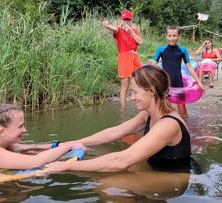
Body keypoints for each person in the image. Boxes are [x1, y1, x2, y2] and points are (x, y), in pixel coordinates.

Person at [45, 65, 192, 173]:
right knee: (98, 155)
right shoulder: (147, 115)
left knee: (108, 188)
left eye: (135, 92)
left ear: (151, 91)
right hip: (155, 169)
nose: (132, 98)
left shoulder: (168, 125)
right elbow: (113, 133)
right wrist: (71, 144)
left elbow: (121, 161)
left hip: (174, 179)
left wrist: (67, 166)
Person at [0, 104, 85, 174]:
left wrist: (58, 145)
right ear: (2, 131)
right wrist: (68, 147)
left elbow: (23, 148)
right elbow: (34, 162)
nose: (25, 130)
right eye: (20, 126)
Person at [151, 25, 204, 118]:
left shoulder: (182, 50)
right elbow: (152, 65)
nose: (172, 38)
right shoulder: (161, 50)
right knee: (165, 110)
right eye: (170, 35)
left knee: (183, 113)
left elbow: (189, 66)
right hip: (166, 83)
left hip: (178, 82)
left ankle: (184, 129)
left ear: (179, 36)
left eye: (175, 35)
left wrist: (199, 82)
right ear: (166, 36)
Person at [102, 10, 143, 112]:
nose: (126, 22)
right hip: (124, 57)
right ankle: (123, 110)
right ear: (122, 20)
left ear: (131, 20)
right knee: (124, 86)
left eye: (128, 20)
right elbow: (113, 29)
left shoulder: (135, 31)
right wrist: (107, 25)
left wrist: (131, 31)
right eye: (124, 19)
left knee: (141, 82)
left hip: (134, 56)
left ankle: (142, 108)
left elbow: (140, 42)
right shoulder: (119, 30)